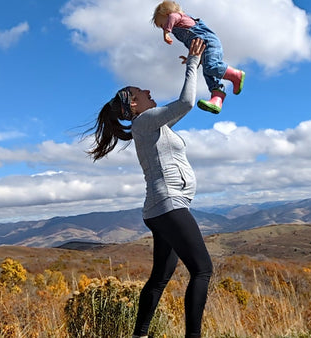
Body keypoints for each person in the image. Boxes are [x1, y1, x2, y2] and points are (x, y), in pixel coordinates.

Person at [86, 39, 213, 338]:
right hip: (168, 205)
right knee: (202, 270)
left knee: (159, 278)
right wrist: (193, 64)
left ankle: (139, 334)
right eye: (143, 91)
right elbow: (185, 103)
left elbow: (180, 110)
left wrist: (198, 65)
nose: (149, 92)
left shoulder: (152, 125)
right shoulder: (144, 122)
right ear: (133, 103)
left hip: (160, 208)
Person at [152, 0, 245, 114]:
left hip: (209, 42)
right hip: (202, 47)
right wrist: (190, 58)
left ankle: (236, 75)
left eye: (161, 25)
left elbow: (173, 17)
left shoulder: (177, 16)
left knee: (210, 67)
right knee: (209, 75)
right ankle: (217, 99)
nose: (163, 28)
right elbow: (193, 44)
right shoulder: (179, 25)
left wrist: (166, 32)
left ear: (165, 13)